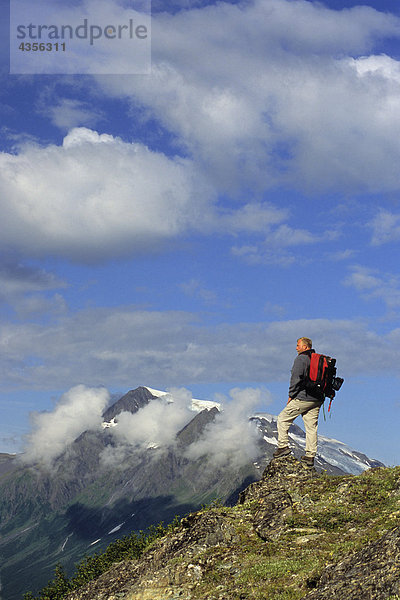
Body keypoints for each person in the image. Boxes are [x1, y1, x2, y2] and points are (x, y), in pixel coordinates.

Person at [273, 337, 325, 467]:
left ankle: (283, 446)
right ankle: (310, 456)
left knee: (282, 419)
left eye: (298, 345)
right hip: (317, 398)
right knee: (311, 427)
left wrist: (291, 395)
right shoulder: (316, 359)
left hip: (303, 397)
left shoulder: (301, 359)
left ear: (305, 347)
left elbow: (295, 378)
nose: (296, 348)